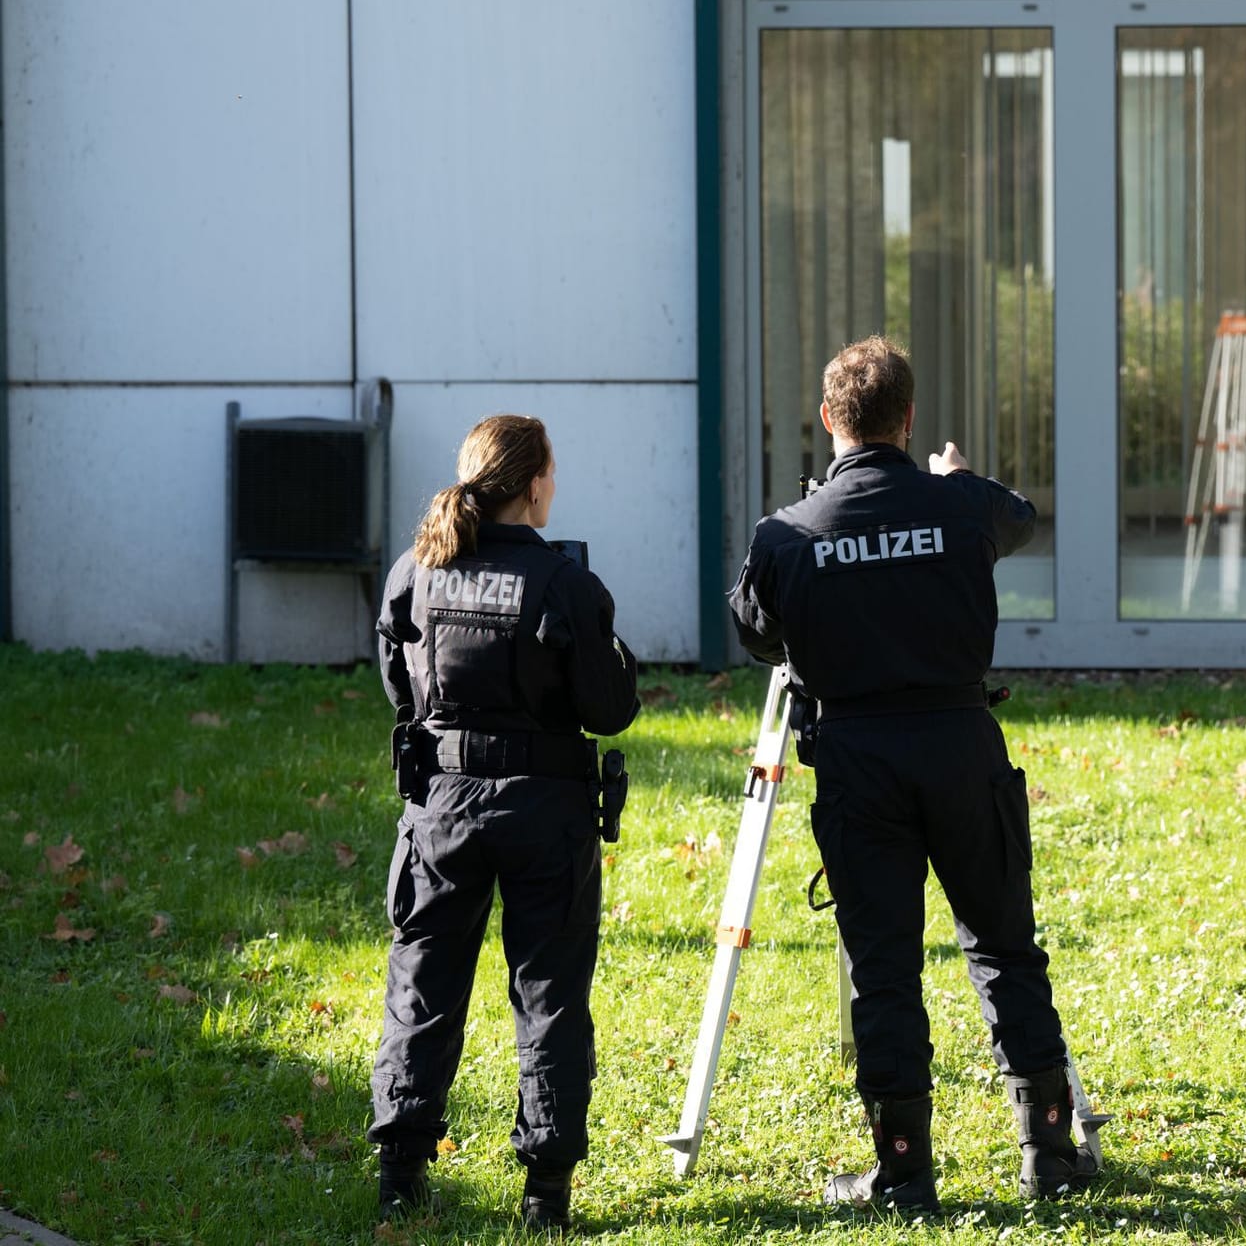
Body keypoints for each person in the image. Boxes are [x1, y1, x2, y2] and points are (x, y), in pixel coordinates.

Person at [728, 335, 1098, 1211]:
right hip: (961, 748)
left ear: (829, 421)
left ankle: (903, 1170)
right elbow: (1020, 516)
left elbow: (755, 632)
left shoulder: (787, 532)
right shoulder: (961, 505)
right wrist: (953, 478)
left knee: (883, 967)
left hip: (858, 762)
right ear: (910, 418)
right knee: (1005, 945)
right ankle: (1047, 1154)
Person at [368, 414, 639, 1231]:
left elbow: (397, 686)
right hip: (544, 810)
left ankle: (399, 1177)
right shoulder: (563, 583)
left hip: (441, 808)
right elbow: (610, 705)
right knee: (550, 992)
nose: (555, 485)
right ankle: (546, 1193)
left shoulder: (417, 568)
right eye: (551, 472)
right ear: (531, 485)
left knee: (423, 983)